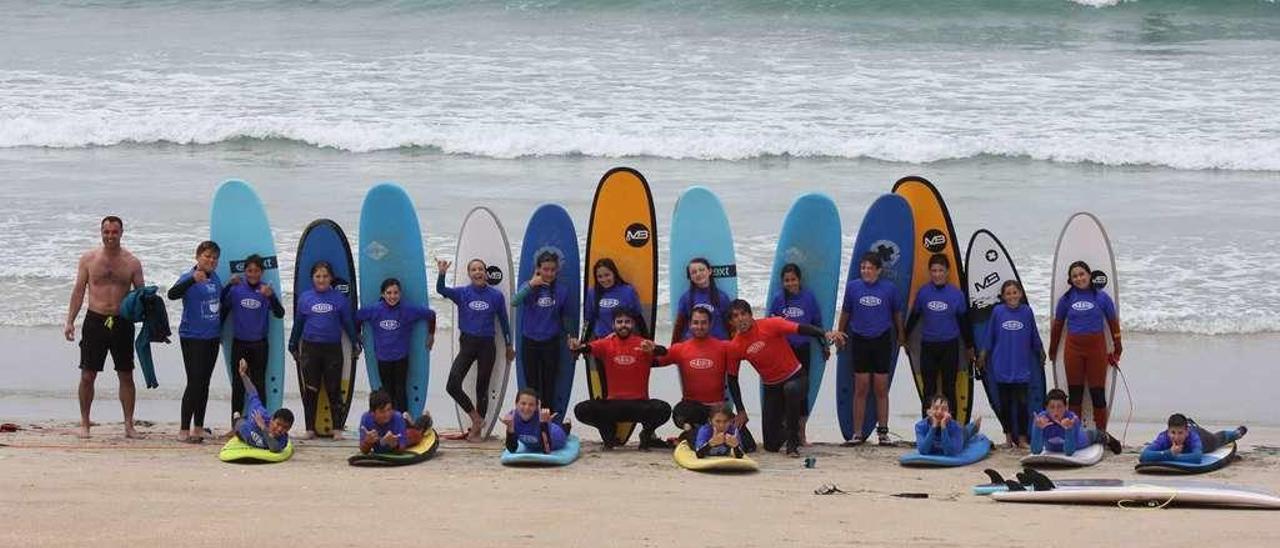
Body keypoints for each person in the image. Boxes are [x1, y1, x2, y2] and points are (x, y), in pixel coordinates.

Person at [725, 299, 845, 457]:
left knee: (791, 389)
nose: (740, 319)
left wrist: (825, 333)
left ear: (750, 315)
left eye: (743, 314)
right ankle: (788, 424)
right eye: (735, 316)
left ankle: (793, 443)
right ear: (731, 322)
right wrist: (740, 410)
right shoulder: (736, 346)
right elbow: (732, 379)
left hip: (796, 377)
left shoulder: (771, 324)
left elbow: (800, 328)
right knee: (771, 445)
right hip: (772, 387)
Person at [64, 216, 145, 439]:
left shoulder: (132, 263)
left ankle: (129, 425)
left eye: (114, 232)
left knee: (126, 375)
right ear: (101, 232)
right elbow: (79, 291)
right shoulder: (89, 259)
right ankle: (85, 423)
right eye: (106, 232)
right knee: (88, 375)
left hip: (122, 322)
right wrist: (70, 320)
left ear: (121, 233)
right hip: (95, 320)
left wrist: (149, 325)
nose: (110, 236)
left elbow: (141, 296)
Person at [653, 307, 754, 451]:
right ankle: (692, 433)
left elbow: (733, 380)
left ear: (710, 324)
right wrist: (646, 350)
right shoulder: (680, 349)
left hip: (717, 410)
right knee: (679, 412)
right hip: (693, 409)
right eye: (696, 323)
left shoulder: (724, 347)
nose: (699, 326)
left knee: (749, 446)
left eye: (703, 323)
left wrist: (741, 411)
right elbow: (654, 362)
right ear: (690, 324)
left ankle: (694, 435)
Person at [436, 258, 515, 441]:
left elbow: (504, 321)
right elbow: (441, 290)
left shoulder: (496, 296)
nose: (478, 272)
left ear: (486, 273)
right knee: (452, 384)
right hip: (467, 345)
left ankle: (476, 432)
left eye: (481, 269)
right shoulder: (462, 293)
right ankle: (476, 419)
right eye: (474, 269)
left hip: (487, 346)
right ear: (469, 274)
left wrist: (509, 345)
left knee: (482, 389)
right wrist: (442, 273)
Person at [570, 308, 671, 450]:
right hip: (613, 405)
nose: (623, 325)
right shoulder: (606, 344)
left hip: (640, 405)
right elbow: (585, 348)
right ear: (613, 325)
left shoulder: (643, 344)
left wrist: (654, 350)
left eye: (627, 322)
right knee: (581, 409)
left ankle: (646, 435)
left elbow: (665, 353)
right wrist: (576, 346)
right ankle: (609, 437)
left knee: (664, 409)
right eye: (619, 322)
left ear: (633, 324)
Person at [836, 252, 905, 446]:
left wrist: (901, 334)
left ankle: (883, 433)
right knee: (861, 388)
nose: (866, 271)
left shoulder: (889, 289)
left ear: (878, 270)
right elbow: (846, 312)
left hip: (882, 340)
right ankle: (857, 433)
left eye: (869, 268)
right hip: (859, 340)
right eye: (863, 267)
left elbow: (897, 313)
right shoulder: (853, 288)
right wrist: (840, 332)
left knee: (881, 388)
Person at [288, 261, 360, 440]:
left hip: (332, 350)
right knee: (311, 390)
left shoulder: (339, 299)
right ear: (312, 278)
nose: (321, 279)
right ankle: (310, 429)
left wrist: (355, 342)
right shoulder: (305, 298)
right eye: (318, 276)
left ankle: (337, 429)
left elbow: (348, 324)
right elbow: (298, 324)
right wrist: (292, 343)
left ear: (331, 278)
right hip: (310, 349)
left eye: (325, 276)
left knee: (333, 389)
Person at [1048, 260, 1122, 431]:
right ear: (1070, 279)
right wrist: (1052, 350)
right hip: (1073, 350)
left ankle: (1101, 433)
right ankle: (1074, 432)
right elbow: (1057, 327)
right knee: (1075, 394)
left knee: (1097, 393)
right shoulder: (1066, 299)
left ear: (1089, 275)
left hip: (1096, 350)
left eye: (1082, 274)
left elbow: (1113, 324)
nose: (1079, 278)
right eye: (1074, 276)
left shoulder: (1103, 298)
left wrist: (1118, 349)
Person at [905, 254, 975, 416]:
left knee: (949, 387)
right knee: (928, 388)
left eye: (940, 270)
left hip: (949, 346)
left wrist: (970, 346)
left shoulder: (956, 294)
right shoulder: (923, 292)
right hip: (928, 346)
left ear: (947, 272)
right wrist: (904, 337)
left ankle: (951, 427)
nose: (937, 274)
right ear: (930, 272)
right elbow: (914, 317)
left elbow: (964, 323)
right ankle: (927, 426)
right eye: (934, 270)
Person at [167, 240, 222, 443]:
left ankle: (198, 427)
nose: (211, 260)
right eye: (207, 256)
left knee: (205, 383)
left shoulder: (215, 277)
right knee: (194, 382)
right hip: (192, 337)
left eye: (215, 258)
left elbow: (218, 302)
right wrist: (192, 280)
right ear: (198, 257)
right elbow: (172, 295)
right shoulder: (189, 276)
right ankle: (183, 429)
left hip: (212, 337)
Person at [978, 280, 1044, 448]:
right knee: (1005, 404)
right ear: (1003, 297)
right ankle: (1008, 438)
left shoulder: (1027, 312)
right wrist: (983, 354)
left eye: (1015, 292)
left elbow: (1034, 335)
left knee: (1023, 404)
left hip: (1021, 367)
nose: (1012, 296)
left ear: (1021, 294)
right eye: (1008, 293)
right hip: (1002, 366)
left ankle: (1022, 439)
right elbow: (990, 336)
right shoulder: (998, 312)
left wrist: (1040, 351)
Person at [355, 277, 436, 414]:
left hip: (401, 357)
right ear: (383, 294)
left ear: (400, 293)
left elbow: (431, 314)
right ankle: (388, 420)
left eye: (396, 293)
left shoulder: (408, 309)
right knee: (386, 390)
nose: (392, 296)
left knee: (400, 389)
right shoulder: (375, 309)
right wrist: (358, 335)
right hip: (382, 358)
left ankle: (402, 421)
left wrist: (431, 335)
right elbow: (357, 316)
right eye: (389, 293)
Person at [220, 254, 285, 425]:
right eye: (249, 270)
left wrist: (271, 296)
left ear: (262, 272)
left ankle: (260, 423)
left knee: (259, 384)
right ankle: (235, 424)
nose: (253, 274)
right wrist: (218, 334)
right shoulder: (236, 290)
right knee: (238, 385)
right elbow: (223, 310)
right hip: (240, 343)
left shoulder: (266, 290)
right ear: (245, 272)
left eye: (256, 271)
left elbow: (280, 313)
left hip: (259, 345)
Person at [768, 263, 827, 446]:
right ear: (782, 282)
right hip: (784, 352)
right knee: (784, 391)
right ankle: (785, 431)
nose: (790, 283)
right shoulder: (778, 299)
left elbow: (816, 325)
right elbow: (770, 327)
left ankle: (801, 432)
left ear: (799, 280)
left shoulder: (808, 298)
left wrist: (823, 344)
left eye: (793, 279)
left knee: (802, 393)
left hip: (803, 350)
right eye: (786, 280)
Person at [512, 251, 573, 413]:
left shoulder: (562, 291)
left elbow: (565, 317)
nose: (549, 273)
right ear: (538, 269)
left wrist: (571, 336)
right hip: (529, 342)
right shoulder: (528, 286)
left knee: (549, 384)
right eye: (545, 269)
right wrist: (532, 284)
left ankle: (547, 423)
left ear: (557, 270)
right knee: (531, 385)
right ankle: (530, 420)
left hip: (551, 343)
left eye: (553, 270)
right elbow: (514, 301)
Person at [1030, 388, 1121, 456]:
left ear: (1066, 407)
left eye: (1059, 407)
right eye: (1052, 407)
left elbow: (1069, 452)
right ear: (1046, 408)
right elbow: (1036, 451)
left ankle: (1108, 437)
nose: (1056, 411)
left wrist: (1069, 430)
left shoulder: (1072, 419)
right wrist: (1038, 429)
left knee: (1096, 434)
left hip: (1081, 442)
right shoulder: (1041, 420)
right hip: (1053, 448)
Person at [233, 360, 293, 453]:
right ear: (272, 419)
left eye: (285, 427)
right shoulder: (259, 414)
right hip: (242, 430)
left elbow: (274, 448)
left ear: (289, 429)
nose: (280, 429)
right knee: (238, 421)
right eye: (278, 424)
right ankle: (237, 417)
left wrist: (263, 428)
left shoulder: (283, 439)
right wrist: (243, 375)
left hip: (260, 432)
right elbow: (253, 394)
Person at [1139, 413, 1247, 464]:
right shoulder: (1164, 437)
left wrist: (1170, 456)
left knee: (1217, 439)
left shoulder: (1193, 437)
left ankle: (1237, 433)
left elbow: (1197, 458)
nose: (1176, 437)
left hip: (1204, 438)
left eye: (1180, 433)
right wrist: (1169, 453)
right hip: (1175, 448)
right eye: (1173, 432)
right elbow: (1144, 455)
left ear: (1186, 432)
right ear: (1168, 431)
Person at [672, 258, 732, 343]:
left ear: (709, 271)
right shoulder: (686, 298)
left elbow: (730, 325)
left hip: (719, 343)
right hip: (694, 345)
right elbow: (679, 326)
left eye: (701, 270)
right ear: (691, 277)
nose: (698, 274)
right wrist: (672, 349)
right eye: (694, 272)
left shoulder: (722, 297)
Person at [581, 258, 645, 340]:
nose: (604, 279)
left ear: (614, 273)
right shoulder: (592, 293)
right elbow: (588, 321)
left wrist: (647, 340)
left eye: (607, 275)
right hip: (602, 342)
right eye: (599, 276)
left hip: (624, 341)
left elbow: (638, 318)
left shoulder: (628, 291)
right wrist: (583, 342)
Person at [500, 388, 571, 454]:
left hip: (557, 437)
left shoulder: (540, 418)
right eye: (523, 403)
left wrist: (543, 424)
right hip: (533, 445)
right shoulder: (512, 417)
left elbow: (547, 450)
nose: (527, 408)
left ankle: (567, 425)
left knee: (563, 430)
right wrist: (510, 428)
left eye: (531, 405)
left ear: (536, 407)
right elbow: (512, 449)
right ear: (516, 404)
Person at [914, 395, 981, 457]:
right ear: (929, 411)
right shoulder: (920, 426)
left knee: (968, 431)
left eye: (944, 409)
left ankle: (975, 423)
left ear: (949, 413)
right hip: (936, 427)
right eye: (936, 408)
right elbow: (923, 451)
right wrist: (933, 426)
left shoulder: (956, 427)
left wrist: (943, 427)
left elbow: (950, 453)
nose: (939, 412)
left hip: (961, 432)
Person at [358, 390, 408, 455]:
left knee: (415, 435)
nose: (387, 414)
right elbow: (364, 451)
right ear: (373, 413)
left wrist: (395, 444)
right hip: (381, 445)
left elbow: (402, 450)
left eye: (389, 409)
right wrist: (367, 442)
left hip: (406, 426)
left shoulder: (397, 417)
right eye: (382, 411)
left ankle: (409, 419)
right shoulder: (366, 418)